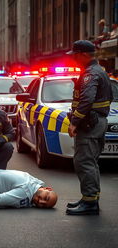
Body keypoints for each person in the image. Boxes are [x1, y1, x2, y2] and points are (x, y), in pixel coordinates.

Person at [66, 40, 113, 215]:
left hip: (89, 125)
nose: (74, 58)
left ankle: (90, 202)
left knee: (84, 162)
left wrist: (74, 122)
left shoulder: (90, 74)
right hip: (96, 123)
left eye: (75, 55)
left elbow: (87, 100)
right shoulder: (98, 71)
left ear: (84, 55)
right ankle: (89, 198)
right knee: (90, 162)